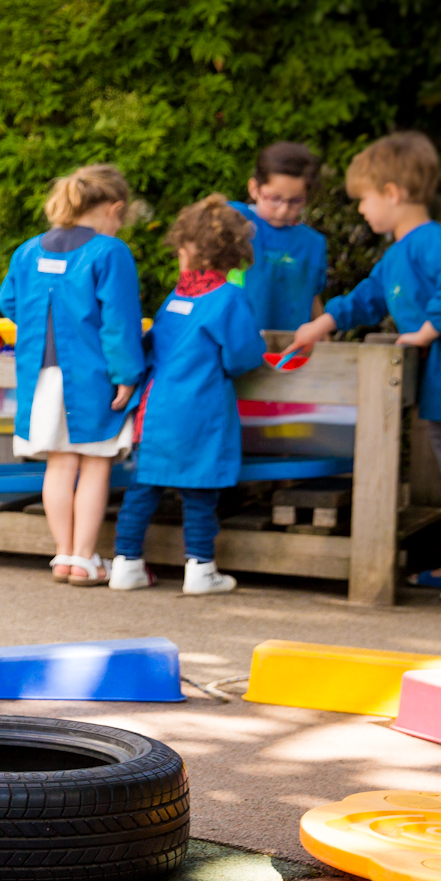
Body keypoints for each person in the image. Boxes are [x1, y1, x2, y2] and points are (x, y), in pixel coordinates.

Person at [285, 132, 441, 604]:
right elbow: (366, 297)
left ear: (392, 192)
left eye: (365, 199)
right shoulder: (397, 255)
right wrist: (320, 324)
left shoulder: (434, 242)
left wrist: (427, 330)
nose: (362, 210)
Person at [0, 165, 147, 586]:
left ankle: (63, 555)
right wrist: (127, 374)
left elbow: (7, 300)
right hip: (92, 377)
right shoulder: (110, 252)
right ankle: (84, 558)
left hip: (40, 378)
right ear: (115, 208)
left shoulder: (28, 251)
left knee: (59, 466)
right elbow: (119, 322)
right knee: (96, 464)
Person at [110, 196, 266, 594]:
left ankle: (125, 562)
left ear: (187, 251)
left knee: (143, 488)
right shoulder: (228, 298)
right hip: (201, 411)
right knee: (200, 493)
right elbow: (243, 356)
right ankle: (200, 568)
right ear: (234, 254)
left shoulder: (177, 296)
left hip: (156, 409)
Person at [231, 142, 329, 330]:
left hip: (288, 349)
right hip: (238, 342)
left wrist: (321, 331)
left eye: (295, 201)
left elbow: (312, 294)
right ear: (254, 189)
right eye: (274, 198)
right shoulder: (236, 220)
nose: (284, 210)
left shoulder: (312, 243)